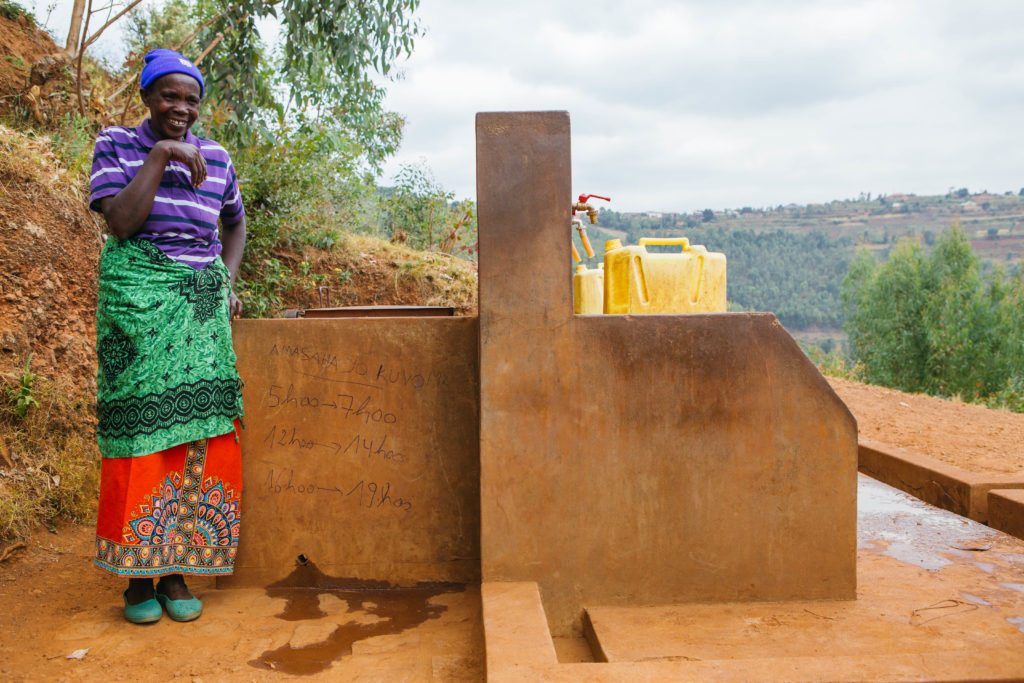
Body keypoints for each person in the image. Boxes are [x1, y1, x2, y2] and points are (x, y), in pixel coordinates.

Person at [89, 49, 246, 624]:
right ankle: (136, 579)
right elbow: (122, 223)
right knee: (139, 434)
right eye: (169, 96)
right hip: (137, 308)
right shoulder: (116, 145)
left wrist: (224, 281)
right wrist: (160, 154)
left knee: (198, 436)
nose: (181, 108)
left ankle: (178, 568)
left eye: (191, 99)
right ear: (147, 98)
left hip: (200, 313)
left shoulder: (219, 157)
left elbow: (235, 220)